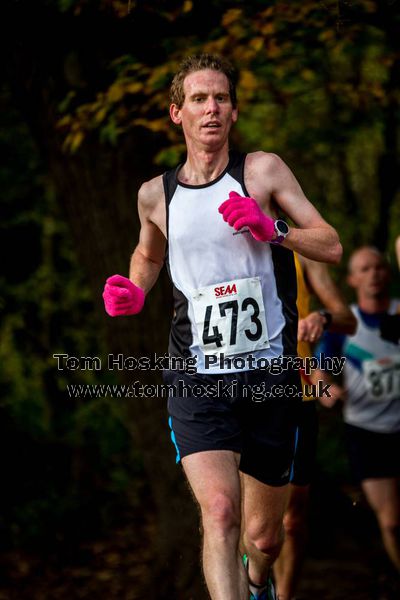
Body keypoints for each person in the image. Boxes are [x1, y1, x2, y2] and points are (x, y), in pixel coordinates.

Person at [102, 53, 342, 600]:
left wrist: (272, 228)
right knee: (220, 510)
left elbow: (330, 244)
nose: (212, 108)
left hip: (269, 378)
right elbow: (148, 255)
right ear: (176, 113)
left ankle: (261, 585)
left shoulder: (262, 172)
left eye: (222, 98)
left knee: (264, 537)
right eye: (199, 99)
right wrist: (134, 290)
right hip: (198, 377)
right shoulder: (154, 196)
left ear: (233, 112)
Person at [273, 254, 357, 600]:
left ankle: (285, 595)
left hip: (297, 392)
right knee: (242, 517)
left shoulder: (301, 247)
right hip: (237, 396)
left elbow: (346, 318)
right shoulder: (213, 240)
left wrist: (321, 317)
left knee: (291, 518)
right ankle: (254, 586)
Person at [318, 246, 400, 574]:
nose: (374, 274)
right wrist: (328, 391)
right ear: (352, 279)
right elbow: (320, 372)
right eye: (364, 269)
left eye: (379, 267)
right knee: (393, 522)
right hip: (367, 433)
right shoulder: (344, 325)